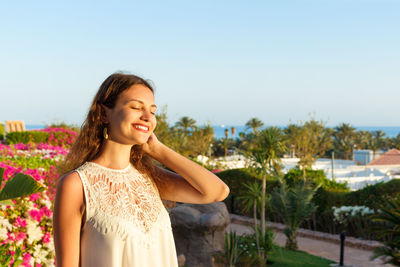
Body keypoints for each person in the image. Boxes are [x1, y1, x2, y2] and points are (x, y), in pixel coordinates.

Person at [53, 73, 230, 267]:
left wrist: (159, 150)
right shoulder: (77, 184)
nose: (147, 117)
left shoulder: (149, 177)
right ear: (103, 114)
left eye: (152, 111)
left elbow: (217, 191)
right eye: (136, 107)